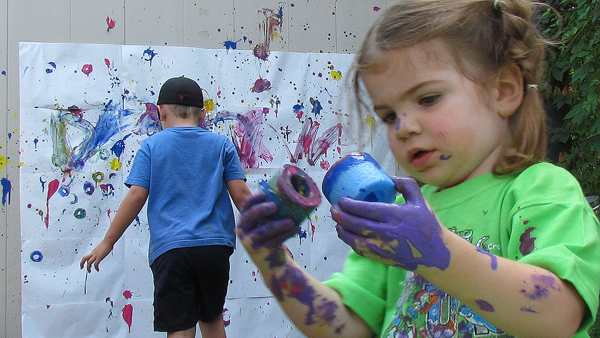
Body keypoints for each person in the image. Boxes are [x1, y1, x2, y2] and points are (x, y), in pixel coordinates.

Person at [235, 0, 600, 337]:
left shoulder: (540, 190)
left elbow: (559, 316)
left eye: (428, 98)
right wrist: (274, 263)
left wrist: (439, 252)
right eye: (389, 115)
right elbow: (347, 328)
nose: (403, 127)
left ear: (502, 90)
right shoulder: (400, 219)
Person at [80, 76, 251, 338]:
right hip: (214, 248)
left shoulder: (151, 146)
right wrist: (271, 236)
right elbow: (241, 195)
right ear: (203, 115)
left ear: (160, 111)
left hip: (172, 250)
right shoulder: (221, 145)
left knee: (180, 328)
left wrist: (107, 243)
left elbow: (136, 195)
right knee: (212, 320)